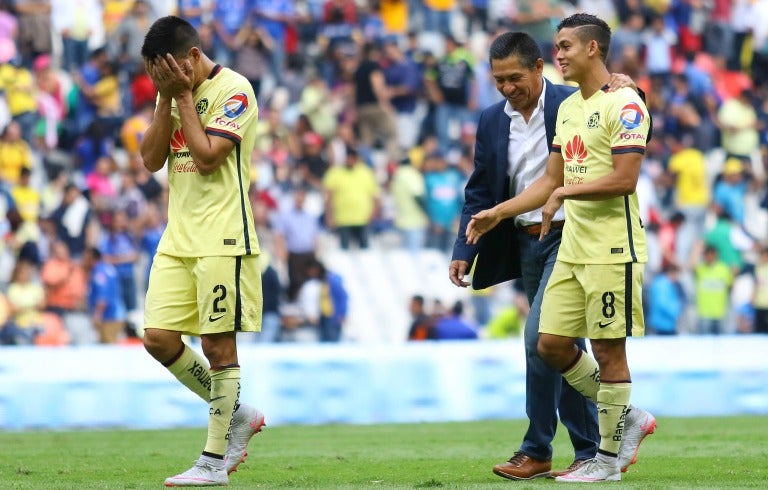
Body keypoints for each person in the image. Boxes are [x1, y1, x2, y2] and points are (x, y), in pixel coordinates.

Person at [465, 15, 656, 482]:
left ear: (593, 48)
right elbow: (551, 179)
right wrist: (500, 212)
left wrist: (565, 194)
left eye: (567, 45)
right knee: (550, 343)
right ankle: (626, 418)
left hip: (610, 247)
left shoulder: (621, 101)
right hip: (568, 245)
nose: (560, 54)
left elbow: (625, 177)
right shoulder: (570, 110)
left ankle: (605, 460)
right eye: (556, 46)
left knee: (607, 351)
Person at [139, 16, 265, 486]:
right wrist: (165, 99)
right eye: (155, 76)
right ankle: (237, 414)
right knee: (158, 338)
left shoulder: (237, 90)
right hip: (178, 238)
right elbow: (151, 160)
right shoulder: (170, 91)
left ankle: (213, 464)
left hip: (223, 236)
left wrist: (184, 98)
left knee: (217, 346)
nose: (164, 81)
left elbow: (209, 157)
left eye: (168, 72)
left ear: (191, 57)